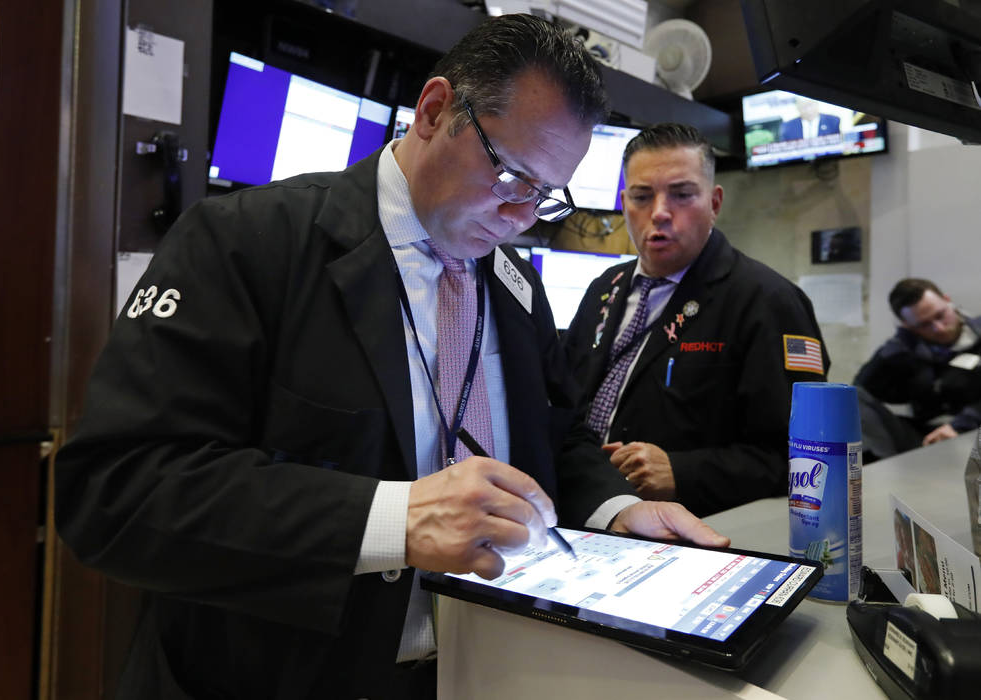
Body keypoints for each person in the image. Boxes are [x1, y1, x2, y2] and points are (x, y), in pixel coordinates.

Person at [54, 16, 728, 700]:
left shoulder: (514, 283)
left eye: (545, 196)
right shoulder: (248, 243)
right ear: (435, 112)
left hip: (485, 667)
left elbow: (556, 435)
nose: (521, 217)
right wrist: (390, 521)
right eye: (511, 175)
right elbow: (117, 493)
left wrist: (614, 509)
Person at [563, 123, 830, 517]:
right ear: (624, 203)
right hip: (587, 510)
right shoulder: (606, 287)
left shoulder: (767, 301)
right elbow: (565, 403)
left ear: (714, 203)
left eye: (682, 194)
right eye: (641, 196)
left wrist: (683, 472)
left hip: (694, 531)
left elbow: (803, 459)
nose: (659, 213)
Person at [854, 278, 981, 457]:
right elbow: (865, 387)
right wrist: (902, 341)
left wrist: (961, 424)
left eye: (940, 315)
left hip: (973, 430)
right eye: (924, 324)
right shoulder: (908, 349)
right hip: (927, 436)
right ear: (908, 325)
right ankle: (876, 470)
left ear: (947, 300)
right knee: (853, 397)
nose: (938, 328)